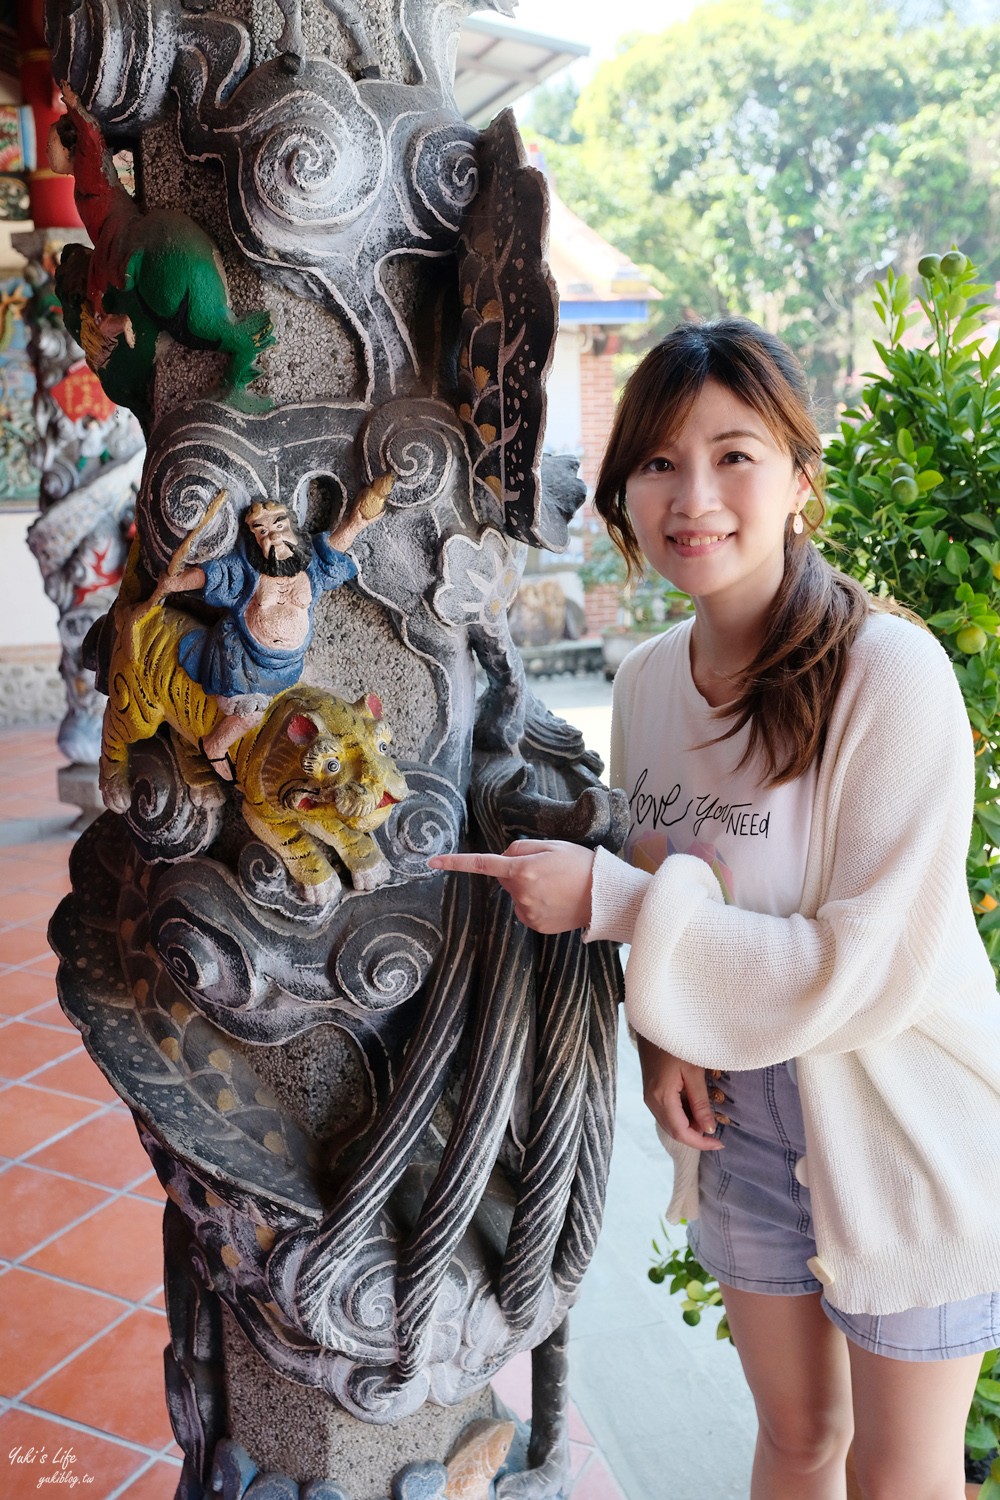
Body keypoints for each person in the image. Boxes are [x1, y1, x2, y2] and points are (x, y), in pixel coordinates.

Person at [430, 318, 1000, 1500]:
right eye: (656, 463)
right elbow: (671, 885)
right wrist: (659, 1041)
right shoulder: (646, 683)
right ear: (624, 493)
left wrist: (612, 903)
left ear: (800, 477)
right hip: (740, 1122)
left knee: (901, 1471)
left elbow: (865, 965)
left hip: (904, 1123)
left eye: (734, 455)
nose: (693, 496)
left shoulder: (889, 675)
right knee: (796, 1443)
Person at [155, 479, 391, 774]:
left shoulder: (311, 568)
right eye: (261, 532)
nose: (272, 537)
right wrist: (174, 583)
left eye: (279, 526)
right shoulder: (249, 572)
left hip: (286, 663)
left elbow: (335, 548)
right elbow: (213, 577)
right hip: (242, 660)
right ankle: (215, 745)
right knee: (249, 714)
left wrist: (357, 521)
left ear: (293, 528)